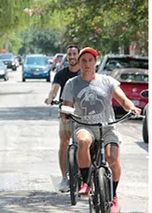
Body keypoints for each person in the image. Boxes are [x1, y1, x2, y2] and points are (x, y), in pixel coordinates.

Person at [61, 47, 141, 213]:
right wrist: (65, 113)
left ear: (96, 62)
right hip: (85, 126)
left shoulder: (107, 81)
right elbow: (67, 106)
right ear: (79, 62)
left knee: (113, 157)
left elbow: (123, 99)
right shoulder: (72, 84)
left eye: (91, 60)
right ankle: (85, 183)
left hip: (107, 127)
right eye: (84, 60)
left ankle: (114, 196)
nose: (87, 64)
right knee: (82, 141)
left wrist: (132, 108)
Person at [46, 44, 82, 188]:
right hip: (66, 111)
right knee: (64, 141)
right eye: (69, 54)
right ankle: (64, 177)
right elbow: (54, 89)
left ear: (79, 55)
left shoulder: (84, 73)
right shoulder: (61, 73)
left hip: (83, 113)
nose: (72, 57)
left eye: (74, 54)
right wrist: (50, 98)